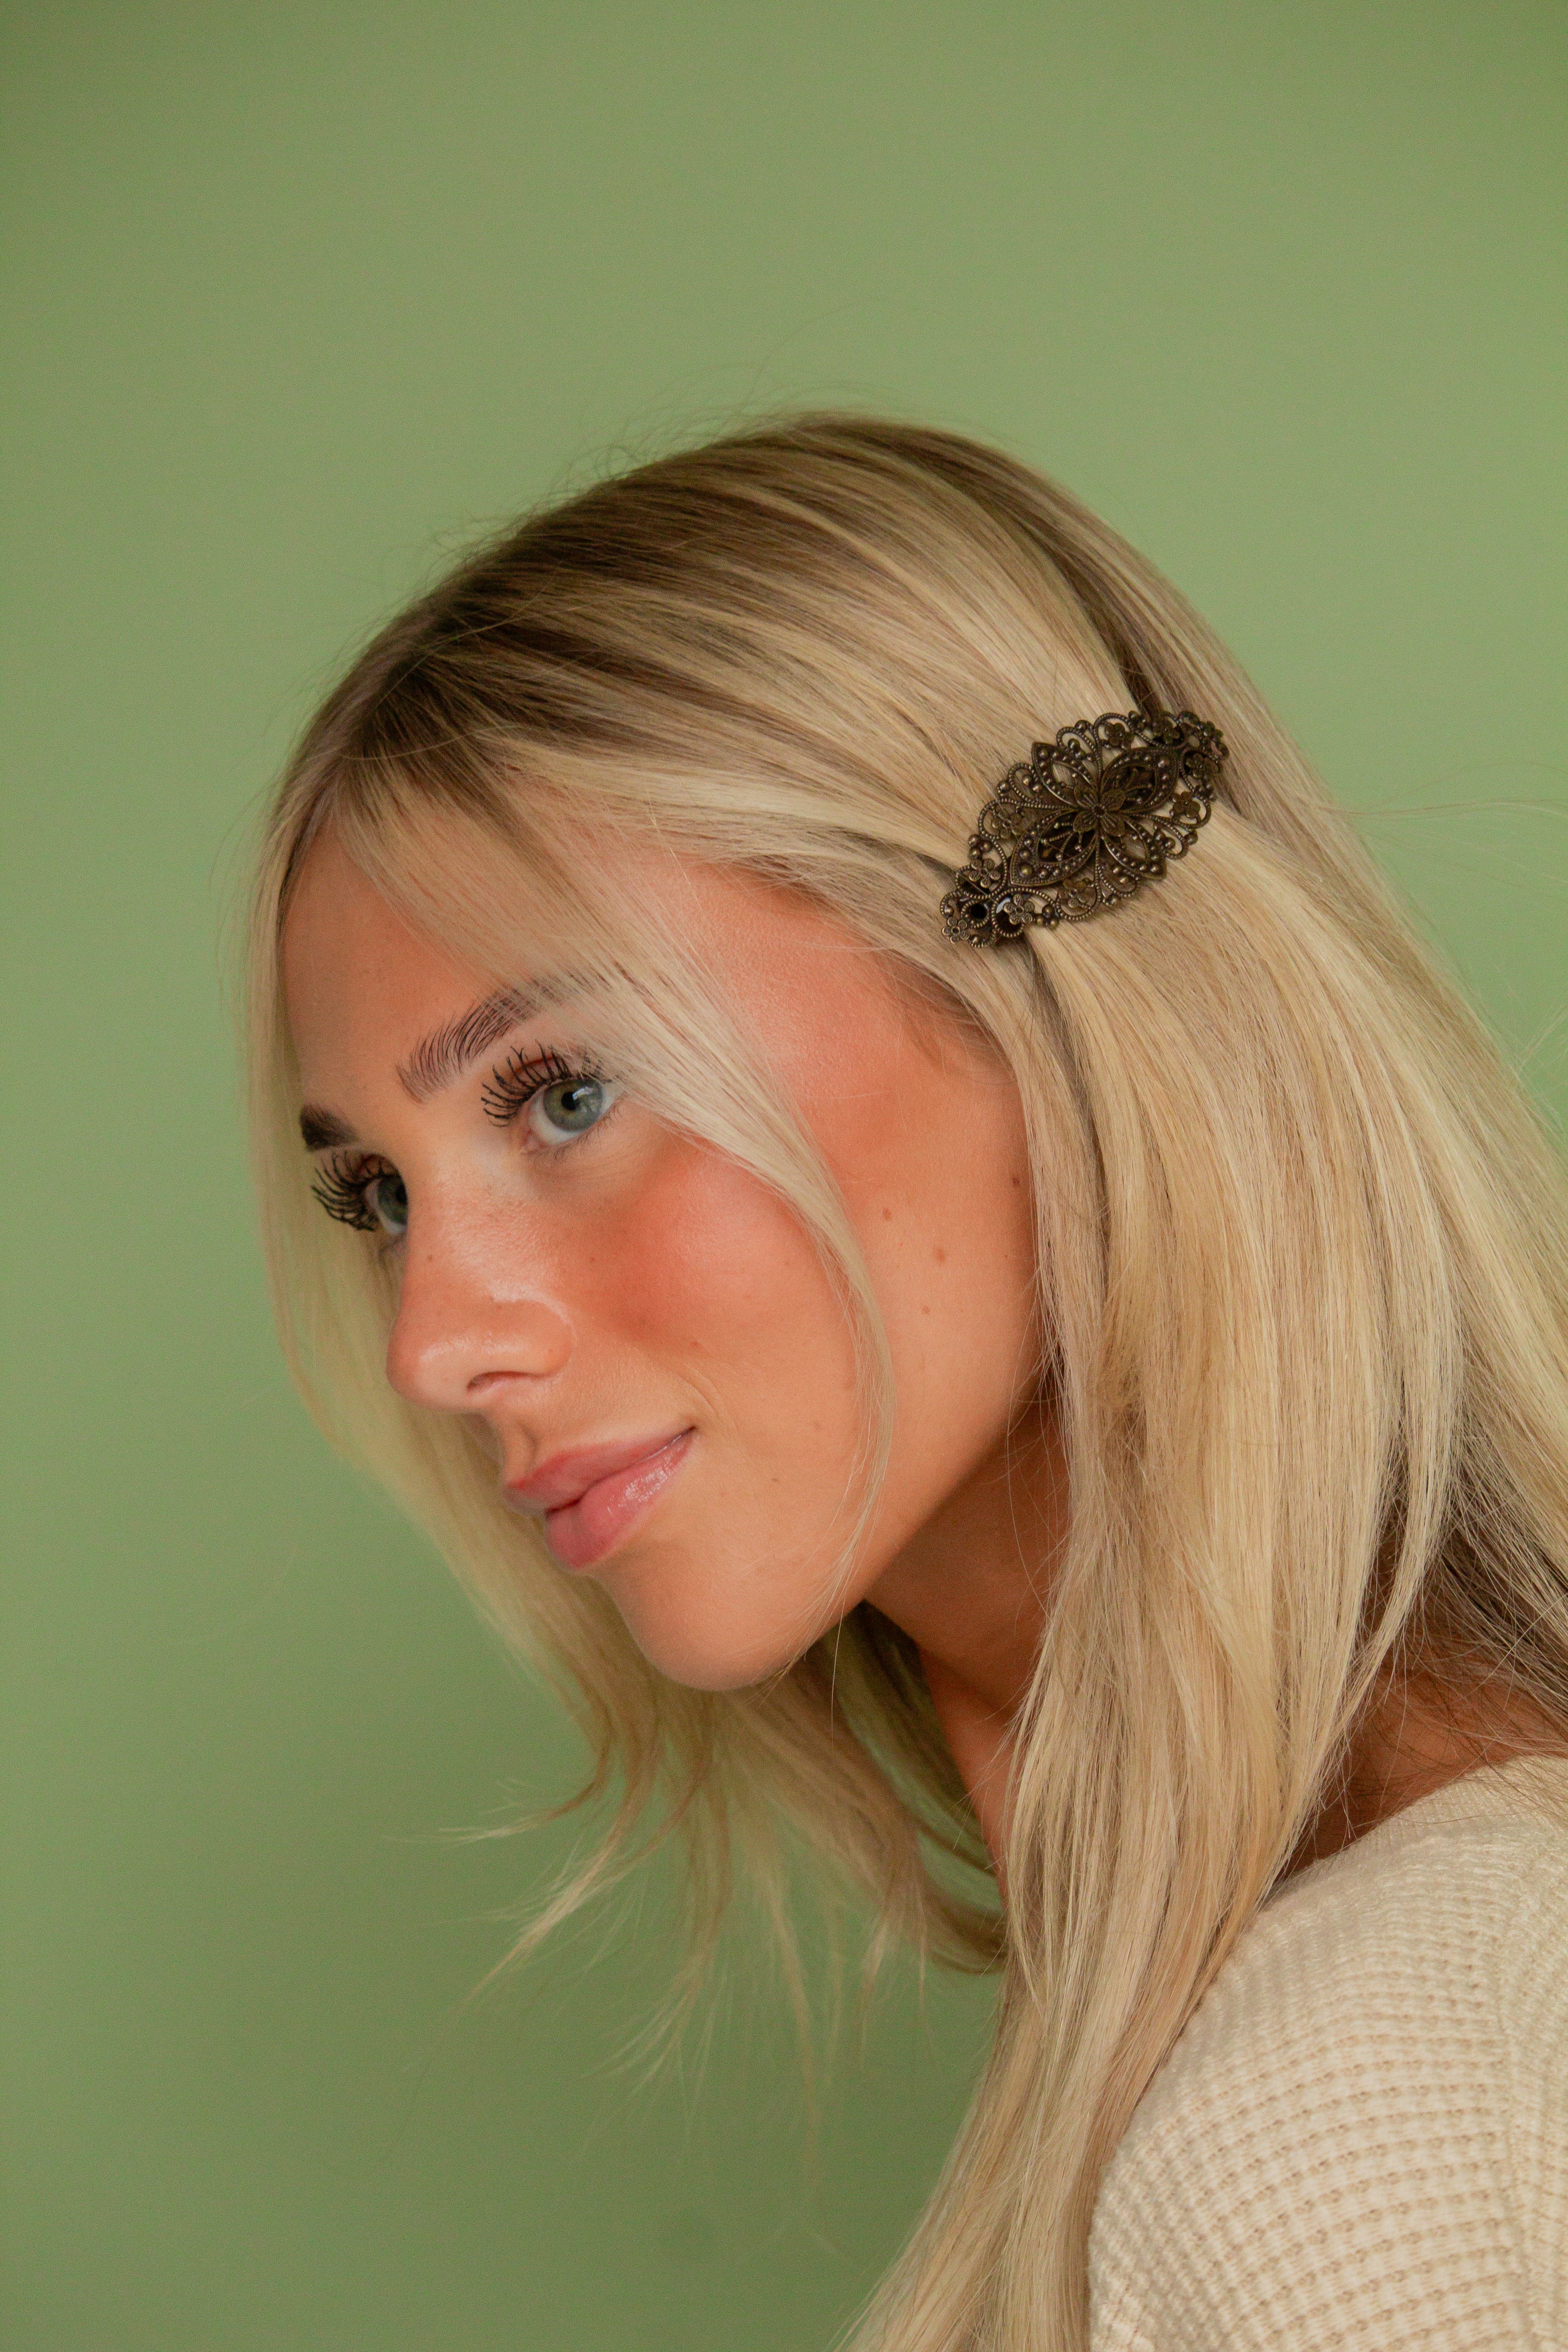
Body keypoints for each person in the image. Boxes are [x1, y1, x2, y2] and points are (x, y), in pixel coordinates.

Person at [247, 416, 1568, 2349]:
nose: (434, 1344)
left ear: (1055, 972)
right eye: (377, 1194)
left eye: (567, 1093)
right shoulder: (1382, 2008)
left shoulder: (1353, 2116)